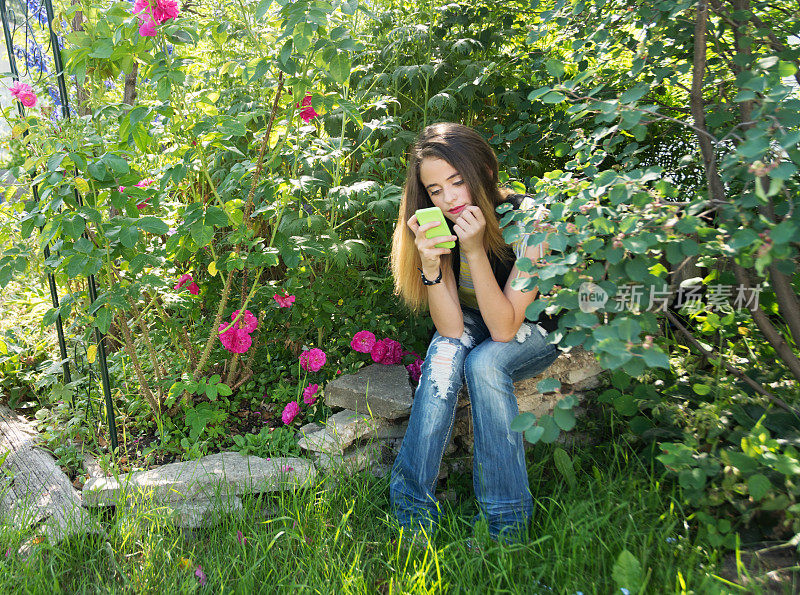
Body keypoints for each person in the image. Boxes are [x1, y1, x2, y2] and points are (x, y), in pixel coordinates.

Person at [388, 122, 560, 543]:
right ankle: (410, 508)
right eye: (435, 190)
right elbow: (449, 329)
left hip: (534, 325)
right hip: (474, 318)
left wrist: (474, 249)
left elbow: (504, 328)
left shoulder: (532, 222)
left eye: (457, 182)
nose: (448, 199)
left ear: (484, 172)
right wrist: (430, 267)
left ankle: (507, 523)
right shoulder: (440, 223)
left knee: (484, 364)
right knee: (446, 358)